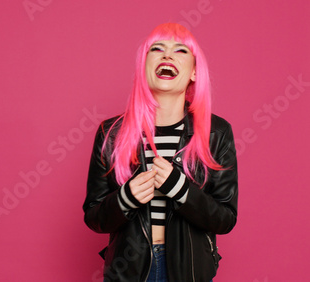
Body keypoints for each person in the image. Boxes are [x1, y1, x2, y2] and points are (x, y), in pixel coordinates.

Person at [82, 23, 238, 282]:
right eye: (157, 48)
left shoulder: (216, 132)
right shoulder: (110, 132)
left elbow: (225, 219)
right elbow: (94, 217)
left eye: (180, 50)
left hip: (189, 270)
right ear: (143, 67)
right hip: (128, 271)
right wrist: (126, 198)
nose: (167, 55)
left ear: (194, 72)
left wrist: (181, 189)